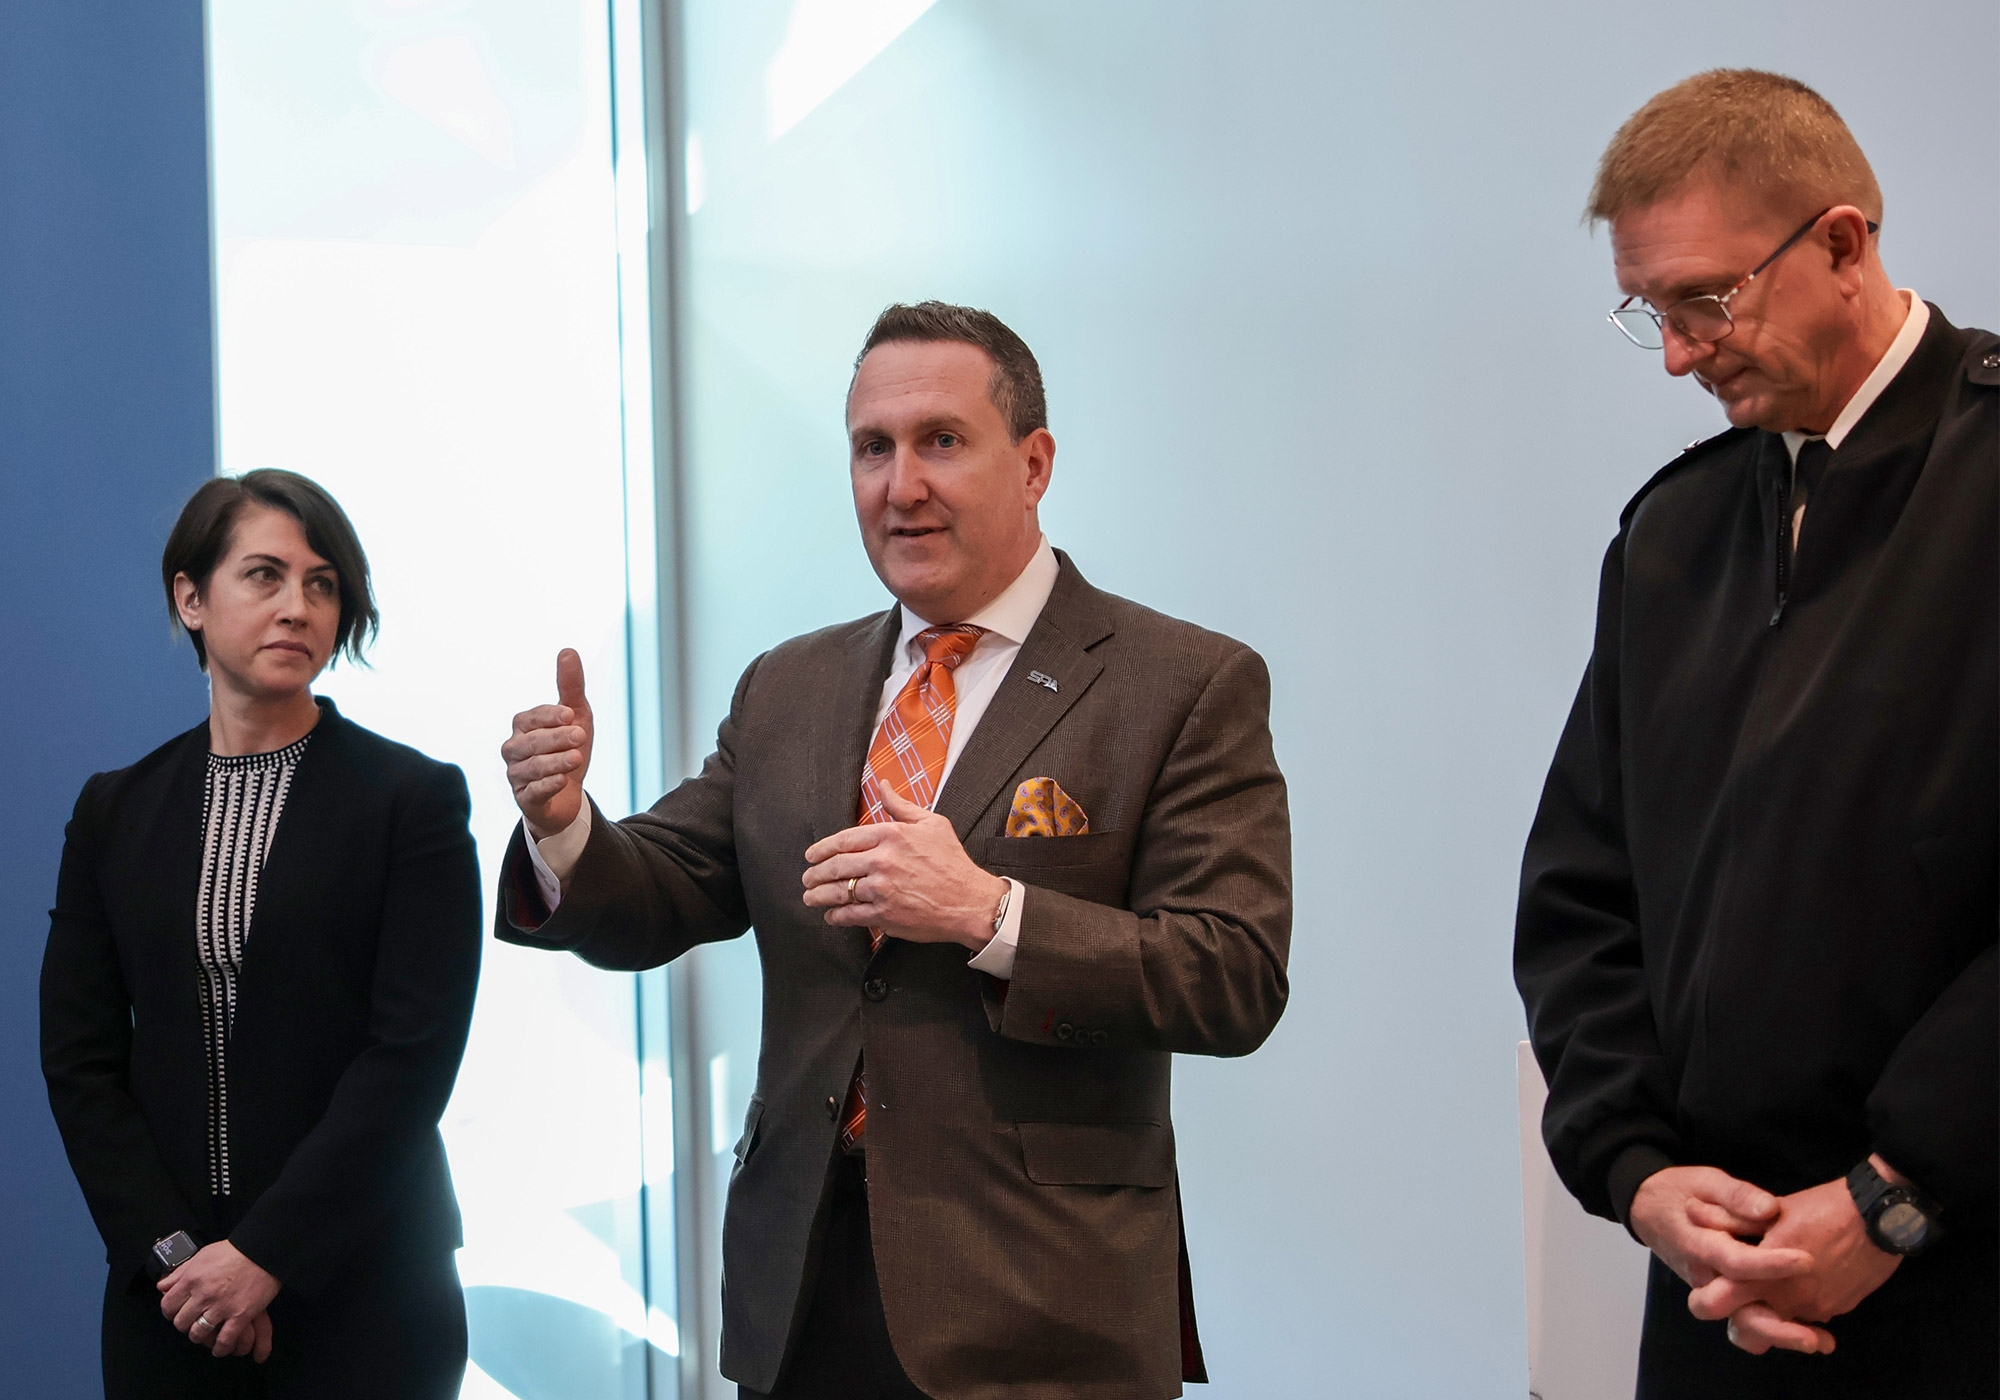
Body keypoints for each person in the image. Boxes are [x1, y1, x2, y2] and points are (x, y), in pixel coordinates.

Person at [498, 301, 1292, 1399]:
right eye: (873, 447)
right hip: (802, 1292)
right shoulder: (791, 683)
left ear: (1033, 462)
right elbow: (664, 888)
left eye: (941, 441)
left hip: (1040, 1313)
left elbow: (1231, 974)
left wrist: (988, 913)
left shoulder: (1179, 682)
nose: (899, 483)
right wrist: (562, 824)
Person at [1515, 69, 1996, 1398]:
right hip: (1724, 1299)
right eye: (1648, 311)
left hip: (1963, 1276)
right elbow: (1581, 894)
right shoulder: (1673, 534)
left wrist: (1900, 1196)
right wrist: (1637, 1170)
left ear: (1843, 243)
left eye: (1705, 300)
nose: (1677, 352)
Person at [41, 469, 482, 1398]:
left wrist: (266, 1257)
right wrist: (181, 1263)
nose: (298, 606)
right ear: (191, 598)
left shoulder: (412, 801)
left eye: (322, 584)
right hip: (174, 1303)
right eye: (265, 576)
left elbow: (409, 1058)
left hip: (366, 1293)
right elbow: (80, 1061)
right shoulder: (113, 812)